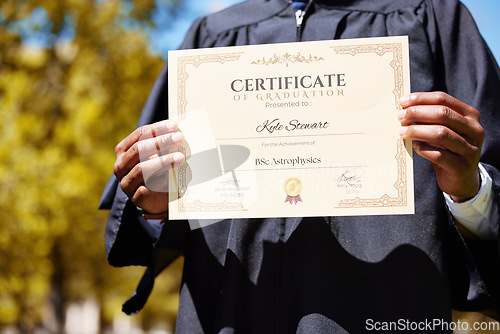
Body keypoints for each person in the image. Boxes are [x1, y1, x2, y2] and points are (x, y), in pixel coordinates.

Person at [100, 0, 500, 332]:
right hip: (230, 314)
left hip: (387, 311)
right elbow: (155, 199)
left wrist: (469, 190)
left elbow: (489, 184)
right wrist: (151, 204)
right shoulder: (211, 39)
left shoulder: (430, 17)